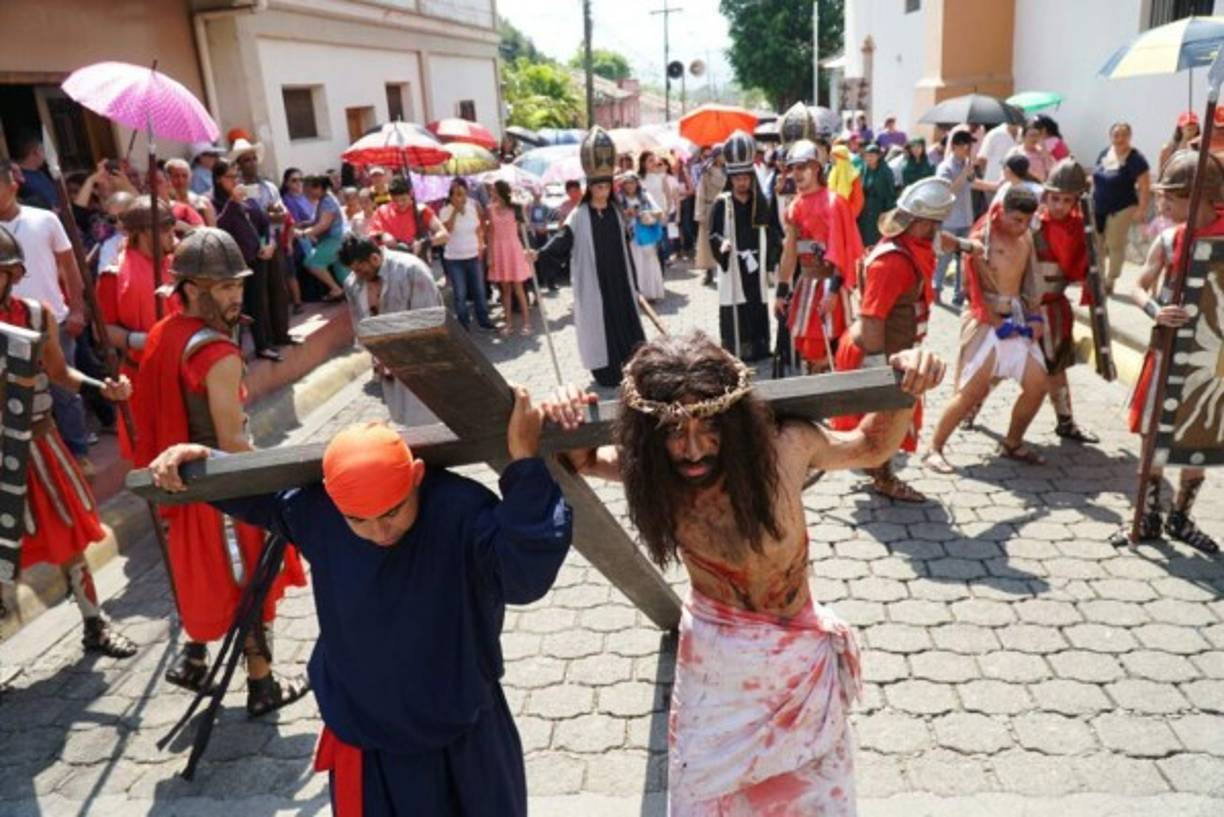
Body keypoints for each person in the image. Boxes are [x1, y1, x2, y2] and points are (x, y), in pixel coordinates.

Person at [546, 332, 945, 816]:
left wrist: (904, 384)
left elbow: (871, 446)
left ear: (733, 420)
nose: (693, 449)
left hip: (800, 668)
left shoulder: (786, 449)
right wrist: (565, 410)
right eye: (674, 430)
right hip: (716, 672)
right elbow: (580, 458)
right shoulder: (654, 473)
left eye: (708, 426)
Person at [148, 406, 575, 815]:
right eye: (359, 520)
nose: (379, 531)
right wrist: (207, 464)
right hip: (370, 746)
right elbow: (258, 495)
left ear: (417, 477)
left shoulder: (459, 510)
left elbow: (526, 572)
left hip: (465, 734)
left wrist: (524, 466)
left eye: (392, 512)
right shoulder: (318, 512)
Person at [132, 227, 309, 712]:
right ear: (191, 288)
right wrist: (272, 481)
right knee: (251, 580)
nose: (237, 296)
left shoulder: (162, 334)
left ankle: (194, 657)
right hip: (223, 487)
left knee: (212, 581)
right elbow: (232, 442)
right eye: (225, 287)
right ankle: (262, 684)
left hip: (180, 488)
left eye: (238, 285)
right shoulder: (218, 354)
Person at [0, 225, 137, 657]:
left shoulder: (36, 316)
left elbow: (59, 374)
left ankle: (94, 622)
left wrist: (101, 387)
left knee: (69, 538)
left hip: (40, 443)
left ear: (14, 272)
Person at [1112, 150, 1224, 553]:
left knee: (1202, 434)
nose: (1162, 206)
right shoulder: (1169, 238)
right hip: (1168, 350)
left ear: (1201, 197)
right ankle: (1147, 514)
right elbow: (1138, 284)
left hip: (1214, 362)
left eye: (1171, 199)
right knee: (1153, 433)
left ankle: (1181, 516)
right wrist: (1156, 309)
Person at [833, 178, 955, 502]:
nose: (937, 233)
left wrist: (969, 247)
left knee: (887, 418)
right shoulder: (894, 262)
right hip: (875, 350)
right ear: (922, 223)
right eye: (934, 226)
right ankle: (883, 477)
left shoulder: (909, 244)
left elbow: (943, 243)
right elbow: (873, 320)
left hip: (891, 349)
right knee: (885, 419)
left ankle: (875, 467)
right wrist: (877, 376)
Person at [924, 186, 1048, 473]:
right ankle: (934, 448)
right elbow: (973, 289)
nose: (1022, 226)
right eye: (1017, 220)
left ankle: (1013, 443)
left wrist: (1035, 317)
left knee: (1037, 384)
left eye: (1027, 221)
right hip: (984, 320)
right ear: (1002, 212)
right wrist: (995, 322)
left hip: (1015, 319)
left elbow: (1031, 282)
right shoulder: (981, 239)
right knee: (970, 393)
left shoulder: (1026, 238)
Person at [529, 127, 646, 387]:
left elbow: (626, 250)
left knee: (625, 319)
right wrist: (540, 254)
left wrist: (634, 283)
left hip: (618, 279)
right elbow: (563, 240)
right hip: (595, 281)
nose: (602, 192)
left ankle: (633, 367)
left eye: (606, 187)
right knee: (600, 324)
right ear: (590, 188)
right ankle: (607, 372)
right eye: (598, 187)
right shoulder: (579, 216)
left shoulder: (616, 213)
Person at [0, 159, 93, 469]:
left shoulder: (45, 220)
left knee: (63, 391)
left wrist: (78, 309)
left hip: (53, 320)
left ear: (13, 184)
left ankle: (78, 454)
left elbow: (69, 266)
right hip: (6, 327)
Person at [95, 197, 177, 458]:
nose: (171, 237)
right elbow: (101, 331)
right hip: (141, 376)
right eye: (165, 230)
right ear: (143, 233)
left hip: (183, 368)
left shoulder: (179, 264)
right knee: (152, 455)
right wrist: (141, 339)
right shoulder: (113, 275)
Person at [773, 140, 864, 373]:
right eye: (793, 168)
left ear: (816, 168)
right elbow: (789, 253)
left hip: (831, 284)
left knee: (835, 349)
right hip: (806, 284)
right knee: (808, 351)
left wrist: (833, 291)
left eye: (803, 166)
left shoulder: (834, 203)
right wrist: (781, 293)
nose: (797, 173)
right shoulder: (794, 207)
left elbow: (841, 251)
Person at [338, 234, 443, 425]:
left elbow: (430, 322)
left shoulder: (411, 270)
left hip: (422, 360)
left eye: (360, 270)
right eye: (353, 271)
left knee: (430, 419)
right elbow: (361, 326)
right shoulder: (353, 284)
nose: (357, 276)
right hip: (389, 364)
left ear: (375, 258)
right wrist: (377, 356)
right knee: (402, 419)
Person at [1033, 159, 1099, 444]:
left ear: (1075, 201)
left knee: (1056, 370)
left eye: (1066, 200)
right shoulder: (1030, 221)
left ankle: (1066, 422)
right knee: (996, 366)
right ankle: (970, 412)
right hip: (1022, 308)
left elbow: (1087, 270)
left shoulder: (1081, 229)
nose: (1059, 205)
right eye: (1054, 198)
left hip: (1054, 308)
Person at [708, 130, 779, 362]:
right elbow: (713, 233)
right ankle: (738, 348)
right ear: (731, 178)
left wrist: (770, 258)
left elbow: (770, 230)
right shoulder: (722, 203)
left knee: (756, 301)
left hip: (755, 264)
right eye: (738, 179)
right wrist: (722, 244)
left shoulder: (760, 202)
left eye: (746, 178)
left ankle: (759, 345)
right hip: (734, 261)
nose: (742, 182)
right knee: (735, 303)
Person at [213, 158, 291, 360]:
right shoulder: (216, 202)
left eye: (236, 176)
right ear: (219, 179)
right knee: (237, 307)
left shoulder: (249, 200)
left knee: (260, 302)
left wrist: (270, 243)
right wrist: (233, 203)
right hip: (235, 264)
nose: (235, 181)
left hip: (259, 258)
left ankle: (265, 343)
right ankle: (237, 351)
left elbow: (266, 224)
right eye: (230, 177)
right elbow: (219, 225)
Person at [1093, 121, 1151, 294]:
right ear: (1111, 136)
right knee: (1097, 245)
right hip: (1099, 206)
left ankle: (1110, 280)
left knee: (1115, 244)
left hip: (1122, 207)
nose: (1120, 138)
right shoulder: (1105, 152)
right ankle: (1099, 278)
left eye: (1124, 135)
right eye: (1116, 135)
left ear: (1130, 137)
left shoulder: (1136, 158)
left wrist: (1141, 209)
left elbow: (1144, 186)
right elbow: (1096, 175)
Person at [438, 178, 494, 331]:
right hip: (454, 258)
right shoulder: (444, 211)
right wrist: (455, 211)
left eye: (463, 193)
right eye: (456, 194)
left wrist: (481, 245)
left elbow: (480, 227)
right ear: (450, 196)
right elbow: (446, 231)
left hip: (473, 255)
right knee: (460, 293)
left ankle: (483, 321)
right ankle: (463, 323)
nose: (461, 197)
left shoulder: (474, 205)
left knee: (479, 290)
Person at [934, 130, 979, 305]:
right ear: (955, 147)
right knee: (944, 256)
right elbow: (947, 191)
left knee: (965, 258)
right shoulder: (945, 167)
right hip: (950, 219)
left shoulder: (967, 165)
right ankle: (936, 288)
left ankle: (959, 292)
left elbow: (971, 184)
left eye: (970, 145)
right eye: (966, 145)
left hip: (966, 217)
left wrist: (970, 171)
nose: (969, 149)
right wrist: (963, 174)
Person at [486, 180, 535, 336]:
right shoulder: (490, 209)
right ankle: (509, 324)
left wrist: (521, 205)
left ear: (500, 191)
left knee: (518, 288)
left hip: (513, 249)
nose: (491, 193)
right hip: (499, 250)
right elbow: (490, 234)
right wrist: (490, 256)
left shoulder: (515, 208)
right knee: (505, 289)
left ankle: (527, 324)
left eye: (493, 190)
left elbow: (526, 224)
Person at [369, 176, 448, 264]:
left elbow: (444, 235)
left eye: (403, 199)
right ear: (390, 197)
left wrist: (424, 243)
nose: (400, 203)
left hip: (417, 264)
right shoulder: (381, 211)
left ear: (411, 194)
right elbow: (372, 238)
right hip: (391, 266)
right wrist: (382, 236)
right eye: (395, 200)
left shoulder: (421, 210)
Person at [296, 175, 349, 303]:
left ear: (319, 188)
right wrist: (306, 224)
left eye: (308, 190)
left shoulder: (327, 201)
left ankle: (336, 290)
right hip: (336, 240)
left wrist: (304, 233)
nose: (306, 193)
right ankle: (351, 293)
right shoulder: (324, 199)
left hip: (334, 240)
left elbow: (324, 224)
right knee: (342, 271)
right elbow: (318, 220)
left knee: (313, 263)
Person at [618, 172, 666, 303]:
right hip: (629, 236)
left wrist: (643, 213)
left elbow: (659, 212)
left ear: (636, 183)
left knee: (648, 263)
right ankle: (636, 294)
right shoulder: (619, 198)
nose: (629, 185)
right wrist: (626, 213)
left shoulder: (645, 196)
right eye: (626, 183)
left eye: (631, 182)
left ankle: (650, 293)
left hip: (645, 234)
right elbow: (616, 216)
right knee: (634, 264)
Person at [695, 146, 727, 285]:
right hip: (709, 208)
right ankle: (708, 271)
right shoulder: (706, 172)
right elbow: (700, 193)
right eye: (722, 154)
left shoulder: (729, 171)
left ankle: (725, 268)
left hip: (725, 208)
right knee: (707, 241)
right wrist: (700, 213)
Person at [858, 143, 899, 246]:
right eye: (867, 155)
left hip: (879, 210)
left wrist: (888, 215)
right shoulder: (863, 169)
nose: (869, 158)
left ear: (878, 156)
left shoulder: (886, 172)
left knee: (876, 238)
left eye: (872, 155)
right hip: (865, 210)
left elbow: (890, 194)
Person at [640, 151, 674, 269]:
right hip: (645, 217)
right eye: (650, 160)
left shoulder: (661, 176)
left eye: (654, 160)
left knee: (660, 247)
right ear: (643, 163)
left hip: (659, 216)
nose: (653, 163)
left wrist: (667, 212)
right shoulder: (639, 179)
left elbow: (669, 197)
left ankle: (660, 274)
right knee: (648, 248)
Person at [165, 158, 216, 227]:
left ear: (190, 177)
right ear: (168, 179)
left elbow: (212, 230)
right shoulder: (164, 204)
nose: (181, 181)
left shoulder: (202, 202)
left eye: (185, 176)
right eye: (176, 176)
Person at [14, 138, 59, 211]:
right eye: (43, 151)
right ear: (36, 152)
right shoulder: (18, 176)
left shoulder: (41, 173)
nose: (45, 156)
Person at [827, 144, 865, 218]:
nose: (831, 160)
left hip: (847, 216)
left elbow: (858, 200)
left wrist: (848, 215)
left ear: (840, 158)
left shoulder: (853, 176)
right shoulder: (833, 172)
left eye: (833, 157)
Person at [978, 121, 1020, 185]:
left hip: (1015, 184)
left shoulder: (1023, 134)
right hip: (993, 182)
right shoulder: (995, 134)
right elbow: (982, 158)